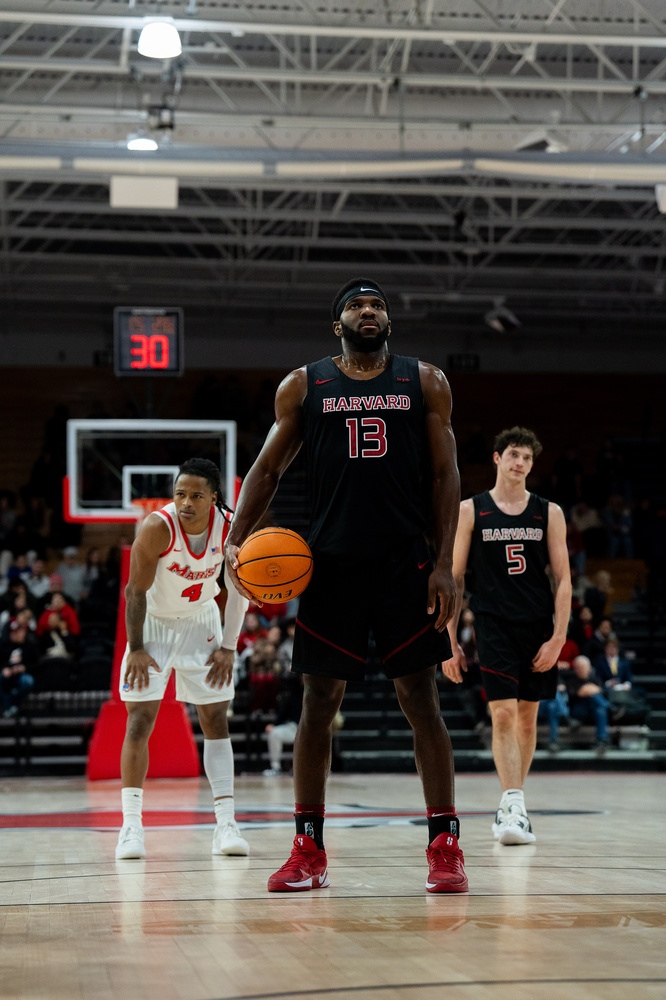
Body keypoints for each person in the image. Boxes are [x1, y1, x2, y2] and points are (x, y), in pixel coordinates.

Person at [225, 276, 467, 894]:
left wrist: (444, 563)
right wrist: (235, 539)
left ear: (388, 321)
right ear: (338, 324)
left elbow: (445, 476)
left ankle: (445, 844)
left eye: (378, 304)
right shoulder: (305, 386)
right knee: (317, 703)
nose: (368, 311)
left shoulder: (425, 381)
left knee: (421, 699)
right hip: (330, 563)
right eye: (356, 306)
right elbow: (268, 467)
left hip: (404, 562)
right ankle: (308, 846)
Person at [115, 457, 249, 862]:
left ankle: (226, 823)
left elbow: (237, 589)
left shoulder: (230, 528)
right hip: (154, 624)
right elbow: (134, 592)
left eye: (195, 495)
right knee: (139, 720)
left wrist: (229, 646)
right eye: (180, 494)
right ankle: (131, 826)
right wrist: (136, 647)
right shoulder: (157, 527)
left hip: (201, 621)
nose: (186, 502)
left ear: (214, 498)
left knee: (215, 719)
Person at [443, 426, 572, 845]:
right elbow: (455, 578)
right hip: (493, 622)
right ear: (497, 458)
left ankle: (512, 804)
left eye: (527, 458)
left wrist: (557, 638)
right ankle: (513, 804)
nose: (520, 463)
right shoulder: (471, 510)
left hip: (537, 626)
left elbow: (564, 578)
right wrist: (449, 640)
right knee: (502, 714)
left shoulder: (548, 512)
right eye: (513, 454)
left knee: (529, 721)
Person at [560, 654, 611, 752]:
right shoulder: (571, 680)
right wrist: (589, 691)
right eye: (579, 667)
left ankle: (601, 740)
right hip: (578, 711)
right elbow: (577, 694)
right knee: (593, 697)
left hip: (592, 710)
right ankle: (610, 707)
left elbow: (602, 691)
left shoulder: (595, 679)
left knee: (600, 710)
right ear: (575, 669)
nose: (582, 669)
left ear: (589, 668)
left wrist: (589, 691)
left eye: (584, 667)